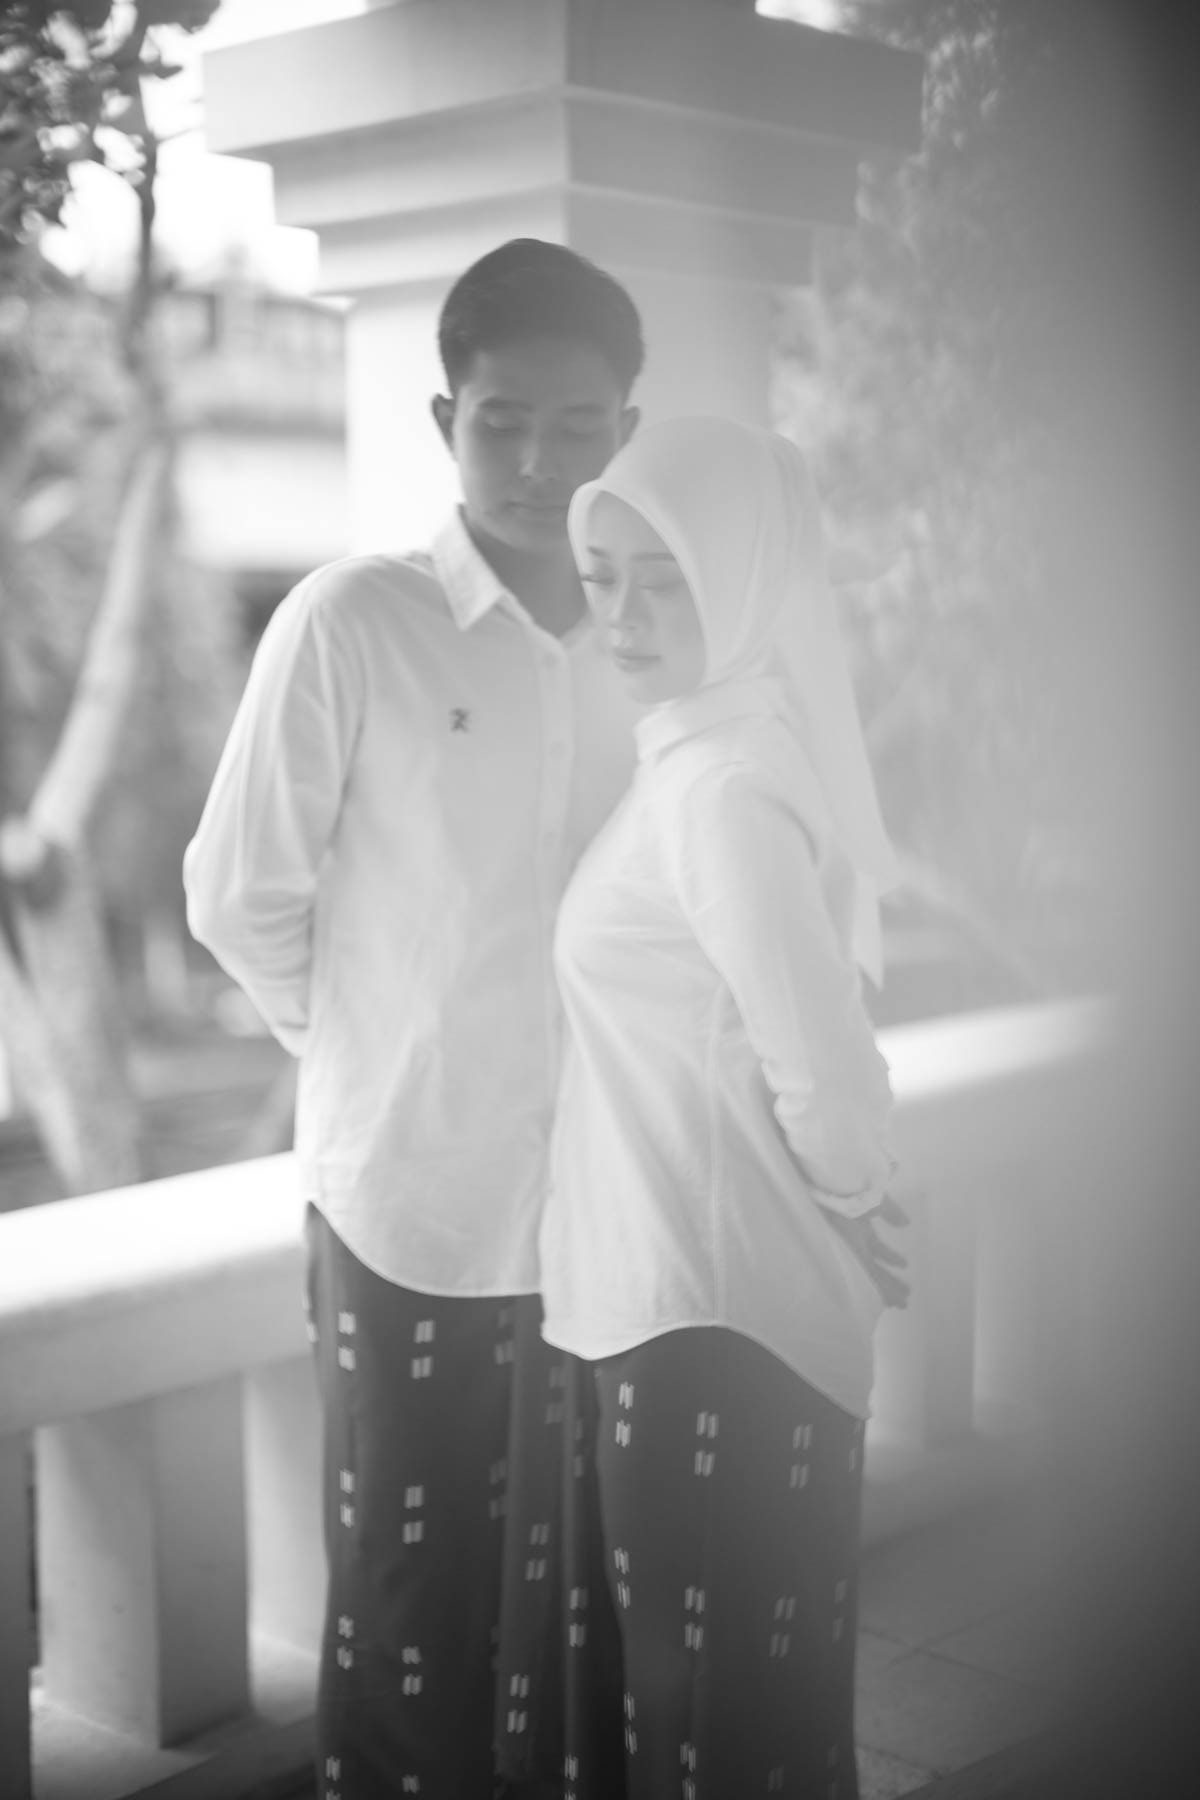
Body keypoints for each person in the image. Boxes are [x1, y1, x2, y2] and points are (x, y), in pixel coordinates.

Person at [182, 238, 644, 1800]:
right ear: (448, 418)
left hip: (609, 1210)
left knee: (592, 1593)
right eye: (503, 422)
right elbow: (238, 893)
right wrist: (371, 1046)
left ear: (627, 431)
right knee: (410, 1596)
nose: (538, 462)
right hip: (409, 1206)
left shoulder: (654, 640)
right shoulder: (352, 622)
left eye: (577, 427)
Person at [500, 416, 908, 1800]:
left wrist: (855, 1201)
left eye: (664, 578)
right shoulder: (694, 755)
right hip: (671, 1301)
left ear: (741, 579)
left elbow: (826, 1069)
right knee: (704, 1720)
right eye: (602, 576)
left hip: (711, 1321)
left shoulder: (723, 789)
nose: (621, 614)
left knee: (715, 1730)